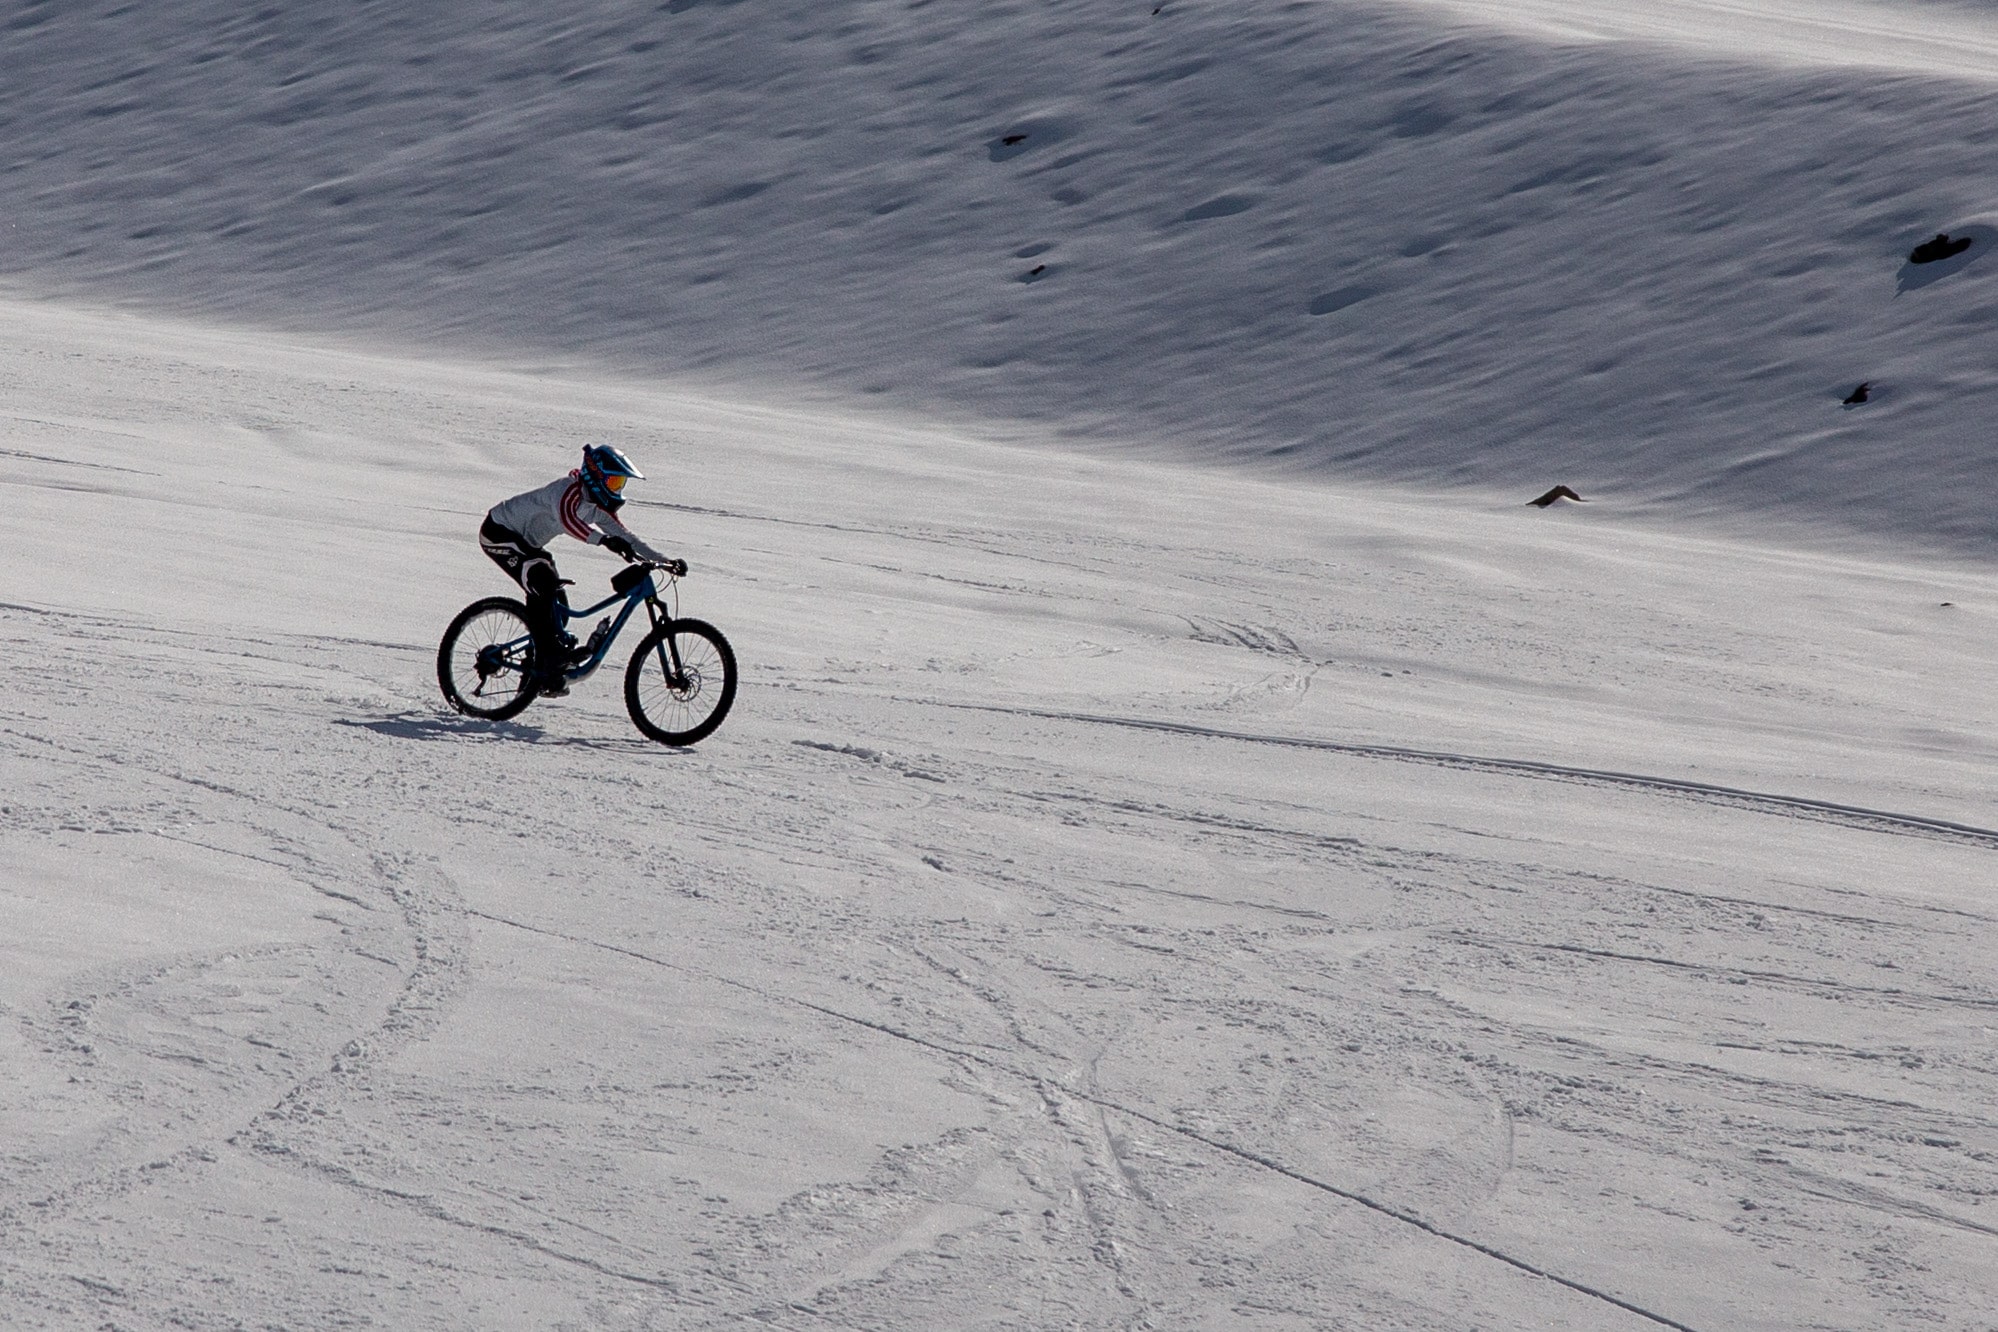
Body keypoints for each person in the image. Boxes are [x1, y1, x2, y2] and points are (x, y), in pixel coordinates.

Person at [479, 445, 685, 695]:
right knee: (541, 583)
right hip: (499, 532)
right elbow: (568, 522)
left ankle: (538, 666)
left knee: (557, 610)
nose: (617, 488)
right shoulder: (567, 490)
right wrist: (604, 541)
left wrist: (665, 561)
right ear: (595, 475)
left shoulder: (595, 507)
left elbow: (626, 537)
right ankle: (547, 664)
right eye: (613, 480)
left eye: (620, 483)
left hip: (528, 546)